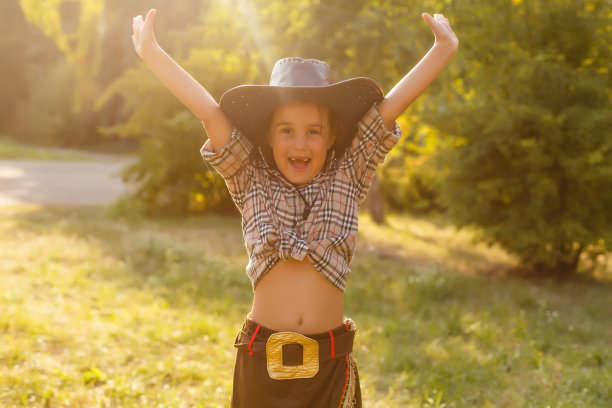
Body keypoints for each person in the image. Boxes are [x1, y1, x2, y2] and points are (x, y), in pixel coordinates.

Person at [132, 8, 457, 407]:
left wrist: (442, 50)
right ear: (268, 135)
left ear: (332, 135)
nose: (299, 145)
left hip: (329, 359)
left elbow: (389, 108)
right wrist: (152, 53)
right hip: (261, 359)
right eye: (286, 131)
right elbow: (209, 112)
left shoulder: (348, 174)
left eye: (312, 132)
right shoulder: (249, 178)